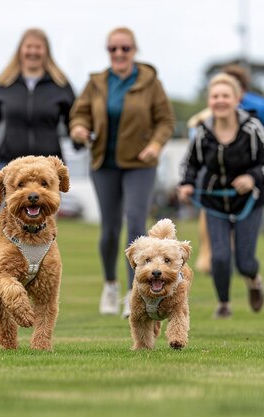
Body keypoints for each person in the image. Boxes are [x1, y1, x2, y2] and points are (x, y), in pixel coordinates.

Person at [69, 27, 175, 318]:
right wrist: (78, 128)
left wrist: (155, 144)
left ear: (134, 51)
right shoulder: (97, 83)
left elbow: (165, 120)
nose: (119, 54)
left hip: (140, 164)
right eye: (113, 49)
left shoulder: (150, 81)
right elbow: (79, 114)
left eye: (125, 48)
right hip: (104, 163)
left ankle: (136, 293)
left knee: (136, 223)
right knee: (110, 230)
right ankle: (110, 285)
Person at [177, 73, 264, 319]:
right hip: (215, 201)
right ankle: (224, 304)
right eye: (215, 96)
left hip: (249, 201)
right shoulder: (203, 131)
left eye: (226, 96)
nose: (220, 101)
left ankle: (254, 281)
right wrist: (186, 184)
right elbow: (189, 164)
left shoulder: (252, 127)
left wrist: (252, 178)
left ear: (237, 99)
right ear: (209, 100)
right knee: (220, 258)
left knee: (244, 261)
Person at [0, 28, 75, 167]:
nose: (33, 52)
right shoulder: (4, 84)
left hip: (49, 167)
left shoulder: (60, 84)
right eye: (29, 47)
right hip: (10, 165)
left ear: (46, 51)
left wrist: (80, 137)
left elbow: (74, 120)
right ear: (20, 50)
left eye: (38, 47)